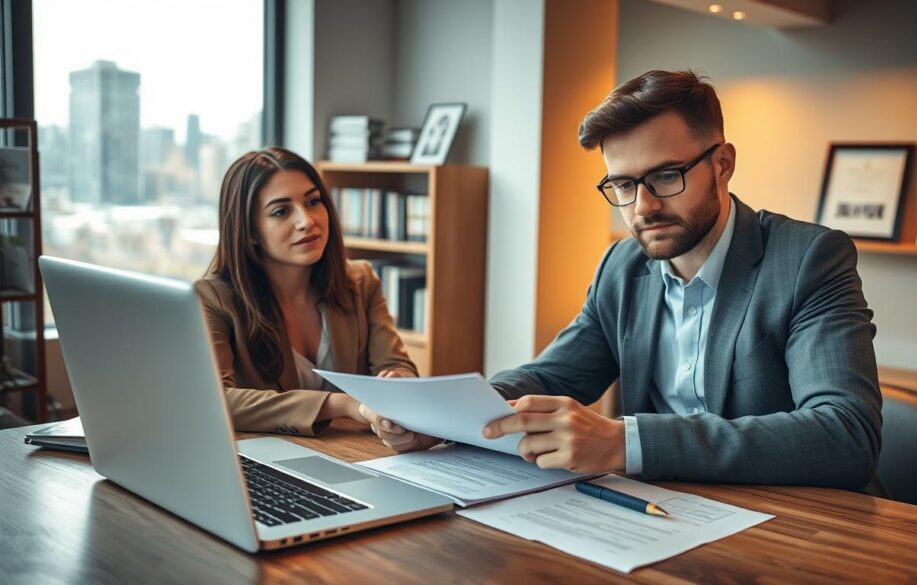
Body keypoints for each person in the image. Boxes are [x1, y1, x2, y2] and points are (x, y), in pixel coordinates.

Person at [362, 70, 882, 491]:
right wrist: (443, 419)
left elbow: (844, 434)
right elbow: (553, 378)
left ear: (722, 165)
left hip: (798, 528)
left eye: (665, 176)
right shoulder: (623, 266)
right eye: (623, 184)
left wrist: (625, 443)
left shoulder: (808, 258)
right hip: (661, 517)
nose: (643, 207)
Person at [197, 147, 417, 436]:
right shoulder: (212, 299)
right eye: (281, 211)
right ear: (249, 231)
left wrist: (398, 381)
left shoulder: (360, 281)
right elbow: (213, 400)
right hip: (265, 461)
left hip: (356, 453)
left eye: (313, 201)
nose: (307, 221)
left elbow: (395, 364)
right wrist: (343, 405)